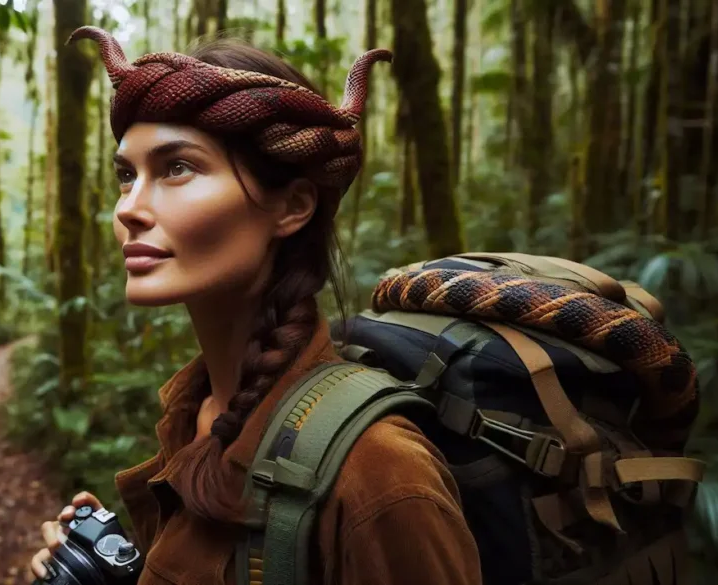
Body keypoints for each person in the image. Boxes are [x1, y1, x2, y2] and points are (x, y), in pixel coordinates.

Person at [29, 26, 482, 585]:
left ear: (292, 207)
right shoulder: (193, 414)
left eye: (177, 167)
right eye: (127, 174)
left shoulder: (381, 474)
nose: (130, 208)